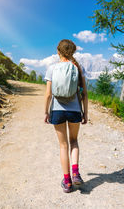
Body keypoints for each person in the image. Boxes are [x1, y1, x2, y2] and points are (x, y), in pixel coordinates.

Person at [44, 39, 88, 193]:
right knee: (74, 141)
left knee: (63, 145)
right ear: (73, 52)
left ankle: (67, 181)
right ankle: (75, 172)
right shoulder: (78, 68)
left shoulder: (52, 68)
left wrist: (46, 112)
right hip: (75, 110)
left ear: (58, 51)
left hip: (57, 111)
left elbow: (48, 94)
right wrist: (85, 113)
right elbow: (84, 94)